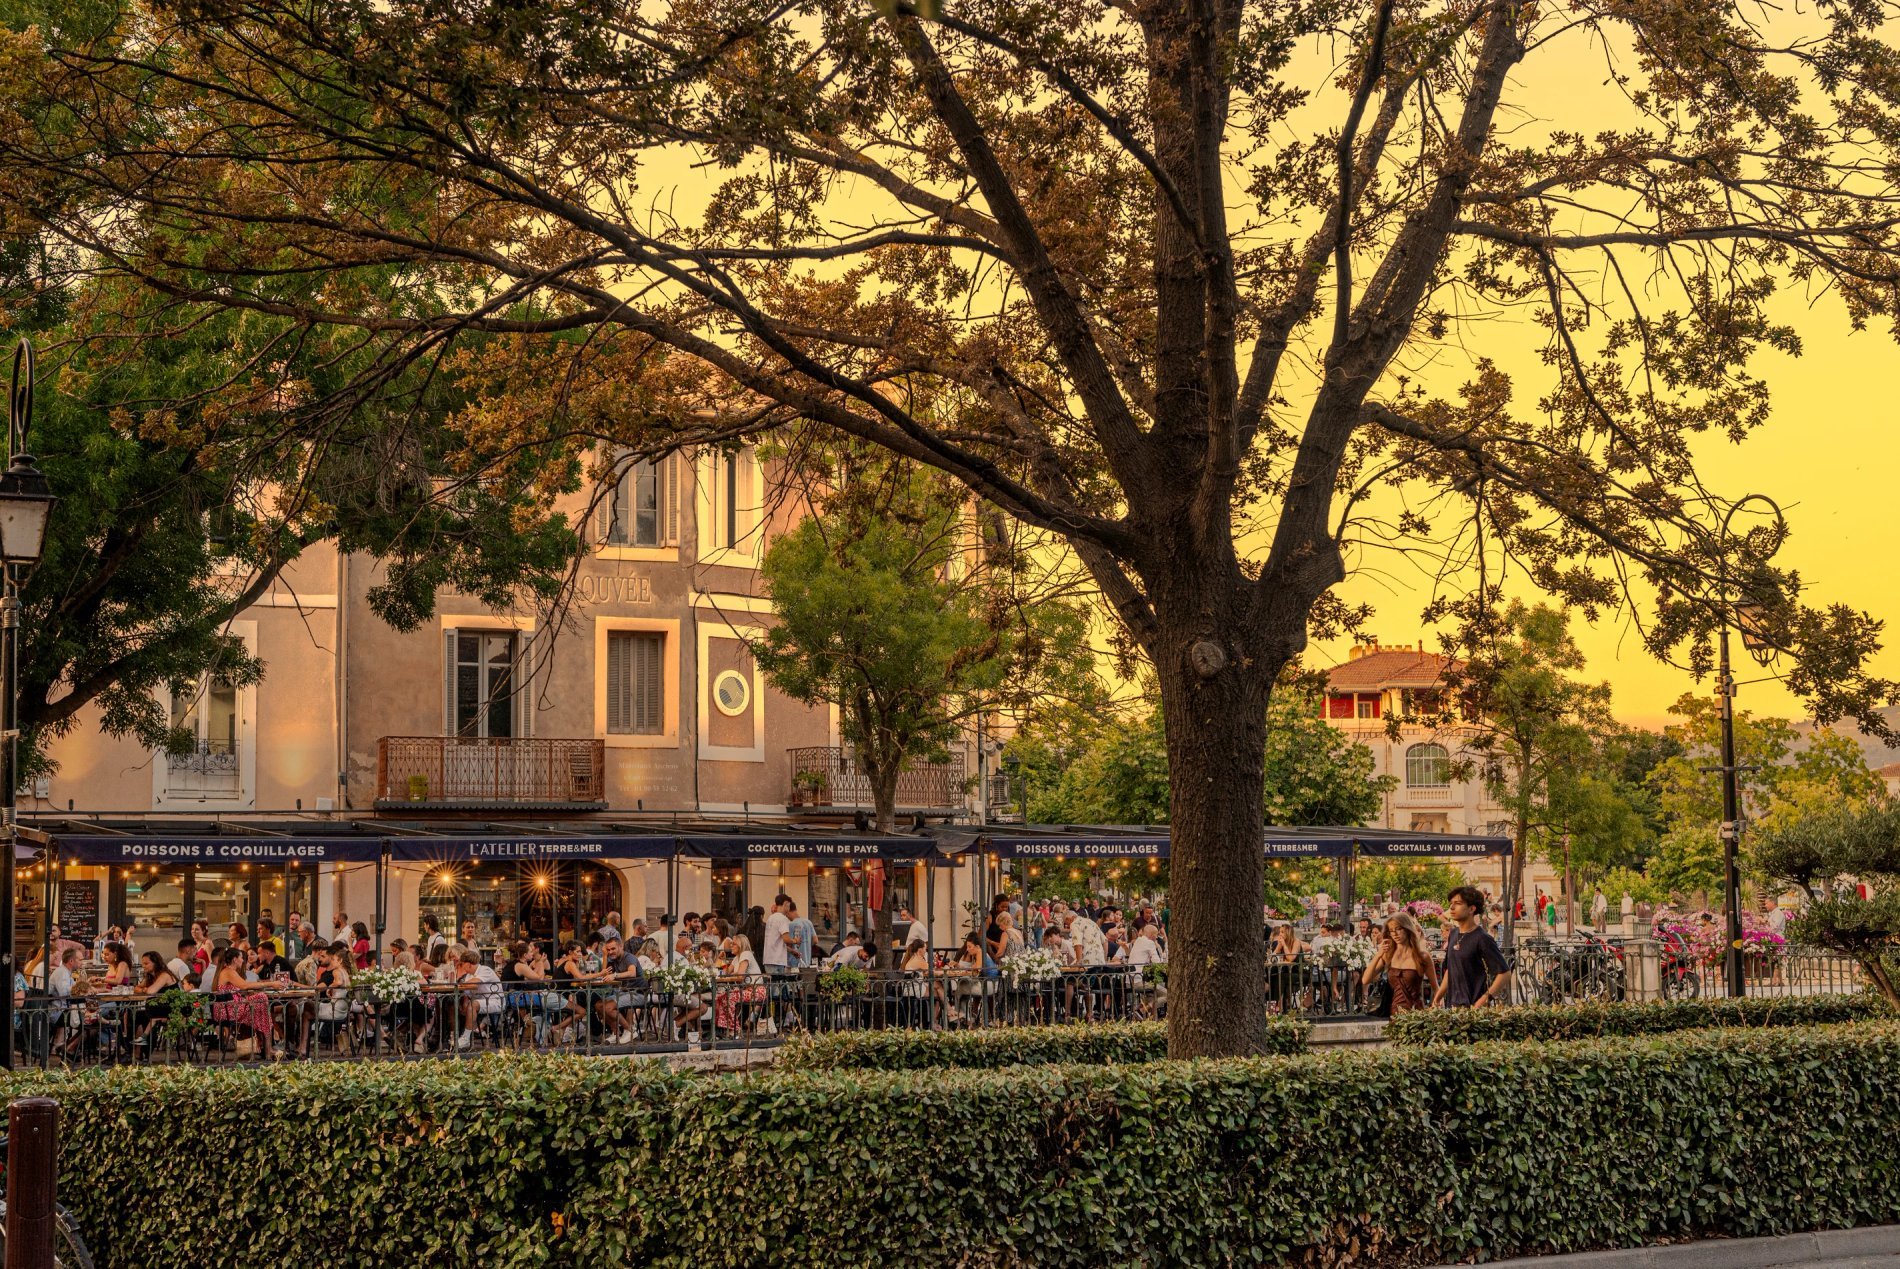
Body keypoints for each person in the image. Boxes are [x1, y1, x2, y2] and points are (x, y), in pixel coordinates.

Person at [1433, 886, 1512, 1010]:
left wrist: (1483, 1000)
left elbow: (1505, 973)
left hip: (1473, 1010)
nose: (1452, 907)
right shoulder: (1453, 934)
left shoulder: (1482, 938)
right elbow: (1450, 969)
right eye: (1451, 903)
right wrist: (1438, 996)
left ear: (1471, 908)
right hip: (1452, 1008)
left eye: (1458, 903)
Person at [1364, 914, 1437, 1015]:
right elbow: (1365, 980)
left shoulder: (1422, 956)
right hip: (1395, 1013)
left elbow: (1436, 987)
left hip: (1415, 1014)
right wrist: (1378, 954)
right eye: (1391, 930)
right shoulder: (1388, 955)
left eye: (1398, 929)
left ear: (1407, 929)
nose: (1395, 934)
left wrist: (1434, 1006)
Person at [454, 949, 504, 1051]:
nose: (462, 967)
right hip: (481, 1001)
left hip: (495, 1001)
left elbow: (475, 982)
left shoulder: (485, 970)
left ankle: (466, 1038)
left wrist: (459, 983)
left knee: (473, 1005)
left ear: (468, 964)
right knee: (455, 1006)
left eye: (462, 964)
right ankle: (455, 1035)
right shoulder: (469, 975)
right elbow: (466, 991)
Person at [761, 894, 793, 973]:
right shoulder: (783, 919)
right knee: (779, 980)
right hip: (777, 960)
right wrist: (795, 940)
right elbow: (786, 939)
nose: (789, 909)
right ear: (785, 904)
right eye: (789, 906)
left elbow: (776, 941)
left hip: (768, 959)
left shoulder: (770, 918)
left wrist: (792, 951)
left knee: (772, 981)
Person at [785, 900, 817, 970]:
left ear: (788, 912)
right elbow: (815, 940)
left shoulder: (791, 925)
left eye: (786, 914)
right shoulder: (808, 922)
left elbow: (788, 944)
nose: (786, 917)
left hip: (794, 963)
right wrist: (806, 945)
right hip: (806, 962)